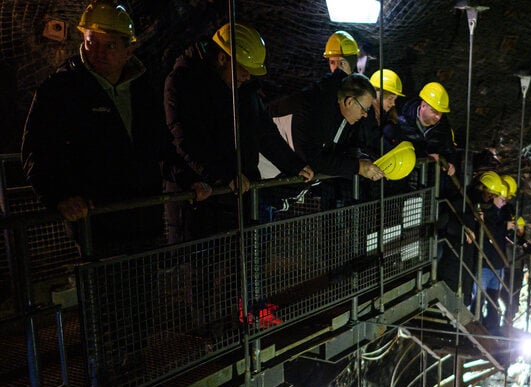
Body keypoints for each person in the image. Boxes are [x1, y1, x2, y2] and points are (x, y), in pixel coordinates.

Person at [21, 1, 169, 258]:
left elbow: (162, 142)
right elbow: (38, 150)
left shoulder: (142, 88)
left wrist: (191, 179)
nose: (98, 52)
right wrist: (61, 195)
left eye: (109, 45)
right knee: (104, 295)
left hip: (144, 219)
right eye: (92, 42)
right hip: (98, 226)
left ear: (128, 48)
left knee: (144, 295)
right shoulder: (61, 90)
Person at [163, 22, 314, 243]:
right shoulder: (184, 82)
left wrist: (294, 165)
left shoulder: (245, 91)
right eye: (244, 70)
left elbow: (265, 134)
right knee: (200, 270)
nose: (248, 77)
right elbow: (187, 138)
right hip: (200, 198)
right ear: (223, 59)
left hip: (238, 194)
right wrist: (224, 175)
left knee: (243, 266)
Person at [383, 81, 458, 178]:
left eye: (441, 113)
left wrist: (450, 163)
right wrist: (427, 156)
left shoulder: (443, 127)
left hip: (427, 178)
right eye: (434, 111)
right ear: (423, 105)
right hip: (400, 174)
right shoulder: (400, 118)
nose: (438, 117)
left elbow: (449, 149)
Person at [472, 171, 512, 334]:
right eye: (501, 199)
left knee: (494, 300)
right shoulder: (486, 211)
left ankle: (493, 329)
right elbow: (493, 231)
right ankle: (477, 327)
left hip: (497, 264)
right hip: (485, 264)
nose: (504, 202)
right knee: (479, 300)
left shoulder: (501, 213)